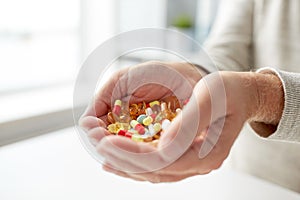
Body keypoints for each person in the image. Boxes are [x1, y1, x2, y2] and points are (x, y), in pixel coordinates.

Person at [79, 0, 300, 192]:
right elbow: (228, 48)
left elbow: (248, 91)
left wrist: (261, 96)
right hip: (247, 180)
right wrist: (196, 75)